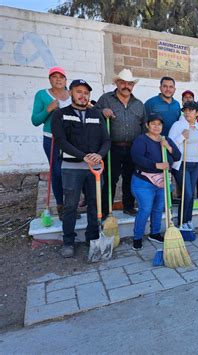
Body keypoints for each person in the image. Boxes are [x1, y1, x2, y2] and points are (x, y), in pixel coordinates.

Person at [51, 79, 111, 258]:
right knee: (70, 205)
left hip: (94, 168)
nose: (82, 96)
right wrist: (82, 156)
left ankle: (92, 237)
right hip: (71, 168)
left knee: (94, 203)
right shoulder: (60, 115)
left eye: (86, 93)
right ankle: (68, 241)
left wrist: (99, 155)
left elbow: (106, 140)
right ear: (70, 93)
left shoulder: (96, 114)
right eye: (79, 92)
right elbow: (61, 141)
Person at [95, 69, 146, 217]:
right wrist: (102, 111)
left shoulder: (139, 104)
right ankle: (106, 210)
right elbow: (93, 113)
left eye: (129, 83)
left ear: (132, 86)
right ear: (117, 83)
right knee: (110, 179)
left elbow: (143, 125)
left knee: (130, 178)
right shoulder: (106, 99)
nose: (126, 86)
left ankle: (128, 206)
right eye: (123, 82)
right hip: (112, 147)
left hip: (133, 147)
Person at [130, 116, 181, 250]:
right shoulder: (141, 140)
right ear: (147, 125)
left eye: (159, 124)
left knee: (158, 208)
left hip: (163, 180)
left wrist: (168, 147)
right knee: (145, 209)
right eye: (153, 124)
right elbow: (136, 158)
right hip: (144, 181)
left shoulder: (166, 140)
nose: (156, 127)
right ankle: (137, 237)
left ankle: (155, 233)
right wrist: (156, 165)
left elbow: (177, 156)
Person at [31, 67, 71, 220]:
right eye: (54, 77)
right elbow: (35, 121)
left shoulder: (71, 95)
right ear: (50, 80)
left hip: (70, 140)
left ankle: (71, 204)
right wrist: (48, 109)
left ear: (66, 80)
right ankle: (61, 206)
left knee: (71, 171)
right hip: (52, 139)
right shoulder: (42, 95)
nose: (58, 79)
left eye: (61, 77)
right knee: (57, 172)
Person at [169, 101, 198, 230]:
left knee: (191, 194)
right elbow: (170, 146)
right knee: (187, 194)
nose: (187, 112)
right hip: (182, 164)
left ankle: (188, 220)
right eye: (185, 110)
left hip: (195, 165)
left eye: (191, 110)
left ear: (197, 113)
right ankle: (182, 222)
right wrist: (182, 137)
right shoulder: (178, 126)